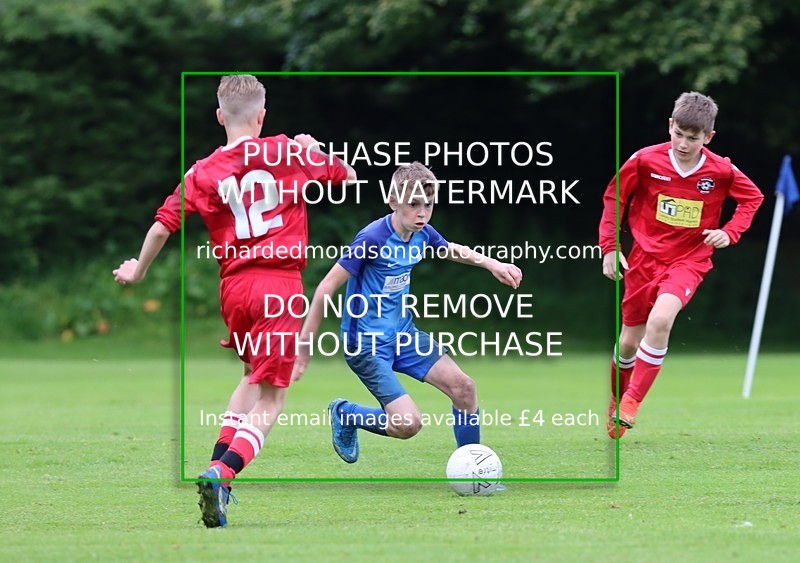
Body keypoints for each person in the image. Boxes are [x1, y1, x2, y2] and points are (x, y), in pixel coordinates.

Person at [112, 75, 356, 527]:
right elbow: (348, 176)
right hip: (279, 286)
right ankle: (221, 472)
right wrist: (316, 146)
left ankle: (219, 477)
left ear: (220, 116)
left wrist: (137, 270)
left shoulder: (202, 170)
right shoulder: (289, 151)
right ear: (262, 116)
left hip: (234, 290)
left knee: (249, 376)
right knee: (273, 399)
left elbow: (163, 225)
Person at [291, 162, 522, 463]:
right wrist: (304, 349)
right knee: (407, 425)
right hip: (366, 345)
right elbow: (324, 289)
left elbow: (450, 248)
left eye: (428, 204)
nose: (422, 213)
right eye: (413, 204)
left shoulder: (422, 233)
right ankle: (346, 413)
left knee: (465, 388)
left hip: (403, 335)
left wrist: (493, 264)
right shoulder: (371, 238)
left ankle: (471, 468)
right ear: (393, 201)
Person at [598, 91, 763, 438]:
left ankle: (631, 403)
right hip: (643, 259)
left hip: (689, 260)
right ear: (670, 125)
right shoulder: (644, 161)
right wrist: (610, 248)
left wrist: (729, 232)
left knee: (661, 320)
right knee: (628, 341)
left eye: (693, 138)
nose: (684, 144)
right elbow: (616, 197)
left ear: (708, 138)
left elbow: (753, 198)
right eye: (679, 134)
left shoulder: (721, 170)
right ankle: (617, 400)